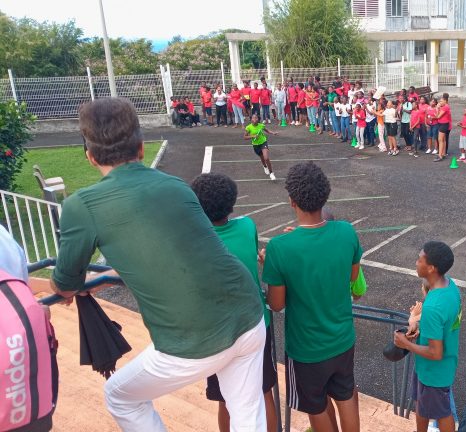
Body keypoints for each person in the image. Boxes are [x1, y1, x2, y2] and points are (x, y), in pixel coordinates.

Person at [51, 98, 267, 431]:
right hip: (248, 315)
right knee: (247, 413)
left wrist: (73, 285)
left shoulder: (82, 205)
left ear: (90, 156)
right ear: (140, 148)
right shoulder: (175, 186)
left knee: (120, 396)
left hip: (192, 339)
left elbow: (65, 284)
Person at [262, 162, 364, 432]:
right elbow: (352, 277)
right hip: (342, 339)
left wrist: (271, 267)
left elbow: (276, 304)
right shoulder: (346, 231)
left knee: (315, 406)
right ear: (324, 196)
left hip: (306, 350)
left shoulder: (279, 248)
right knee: (346, 396)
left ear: (291, 201)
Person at [189, 173, 279, 432]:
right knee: (263, 391)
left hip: (217, 331)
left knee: (225, 398)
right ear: (231, 203)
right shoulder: (247, 226)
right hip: (255, 324)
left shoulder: (193, 242)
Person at [393, 241, 461, 432]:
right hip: (435, 366)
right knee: (421, 404)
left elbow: (435, 353)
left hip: (434, 373)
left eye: (419, 259)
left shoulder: (433, 306)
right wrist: (420, 326)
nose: (416, 262)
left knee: (442, 413)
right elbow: (443, 323)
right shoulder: (450, 286)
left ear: (431, 268)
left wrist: (406, 344)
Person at [245, 113, 279, 181]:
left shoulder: (261, 126)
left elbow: (267, 131)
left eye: (256, 118)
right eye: (253, 118)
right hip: (255, 145)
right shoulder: (248, 127)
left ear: (258, 119)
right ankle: (265, 166)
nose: (254, 119)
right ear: (251, 119)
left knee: (266, 158)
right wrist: (253, 136)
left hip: (263, 142)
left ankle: (271, 173)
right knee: (262, 158)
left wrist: (273, 133)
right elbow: (245, 137)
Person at [434, 97, 451, 162]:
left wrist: (437, 108)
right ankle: (443, 153)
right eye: (439, 101)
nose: (440, 102)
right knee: (443, 140)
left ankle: (440, 155)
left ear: (445, 101)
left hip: (443, 124)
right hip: (442, 124)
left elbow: (438, 116)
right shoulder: (444, 107)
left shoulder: (445, 107)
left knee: (440, 140)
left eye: (441, 101)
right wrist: (438, 109)